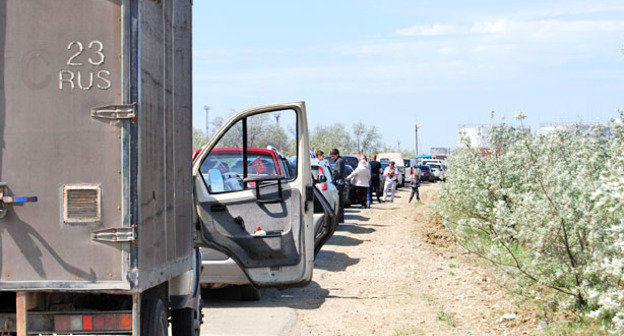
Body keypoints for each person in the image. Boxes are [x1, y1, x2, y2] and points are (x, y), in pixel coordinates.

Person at [330, 148, 346, 223]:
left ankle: (339, 219)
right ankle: (340, 218)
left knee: (338, 201)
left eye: (333, 156)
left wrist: (333, 179)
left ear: (336, 155)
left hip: (339, 183)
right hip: (341, 182)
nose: (332, 158)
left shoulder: (339, 162)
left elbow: (338, 172)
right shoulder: (340, 161)